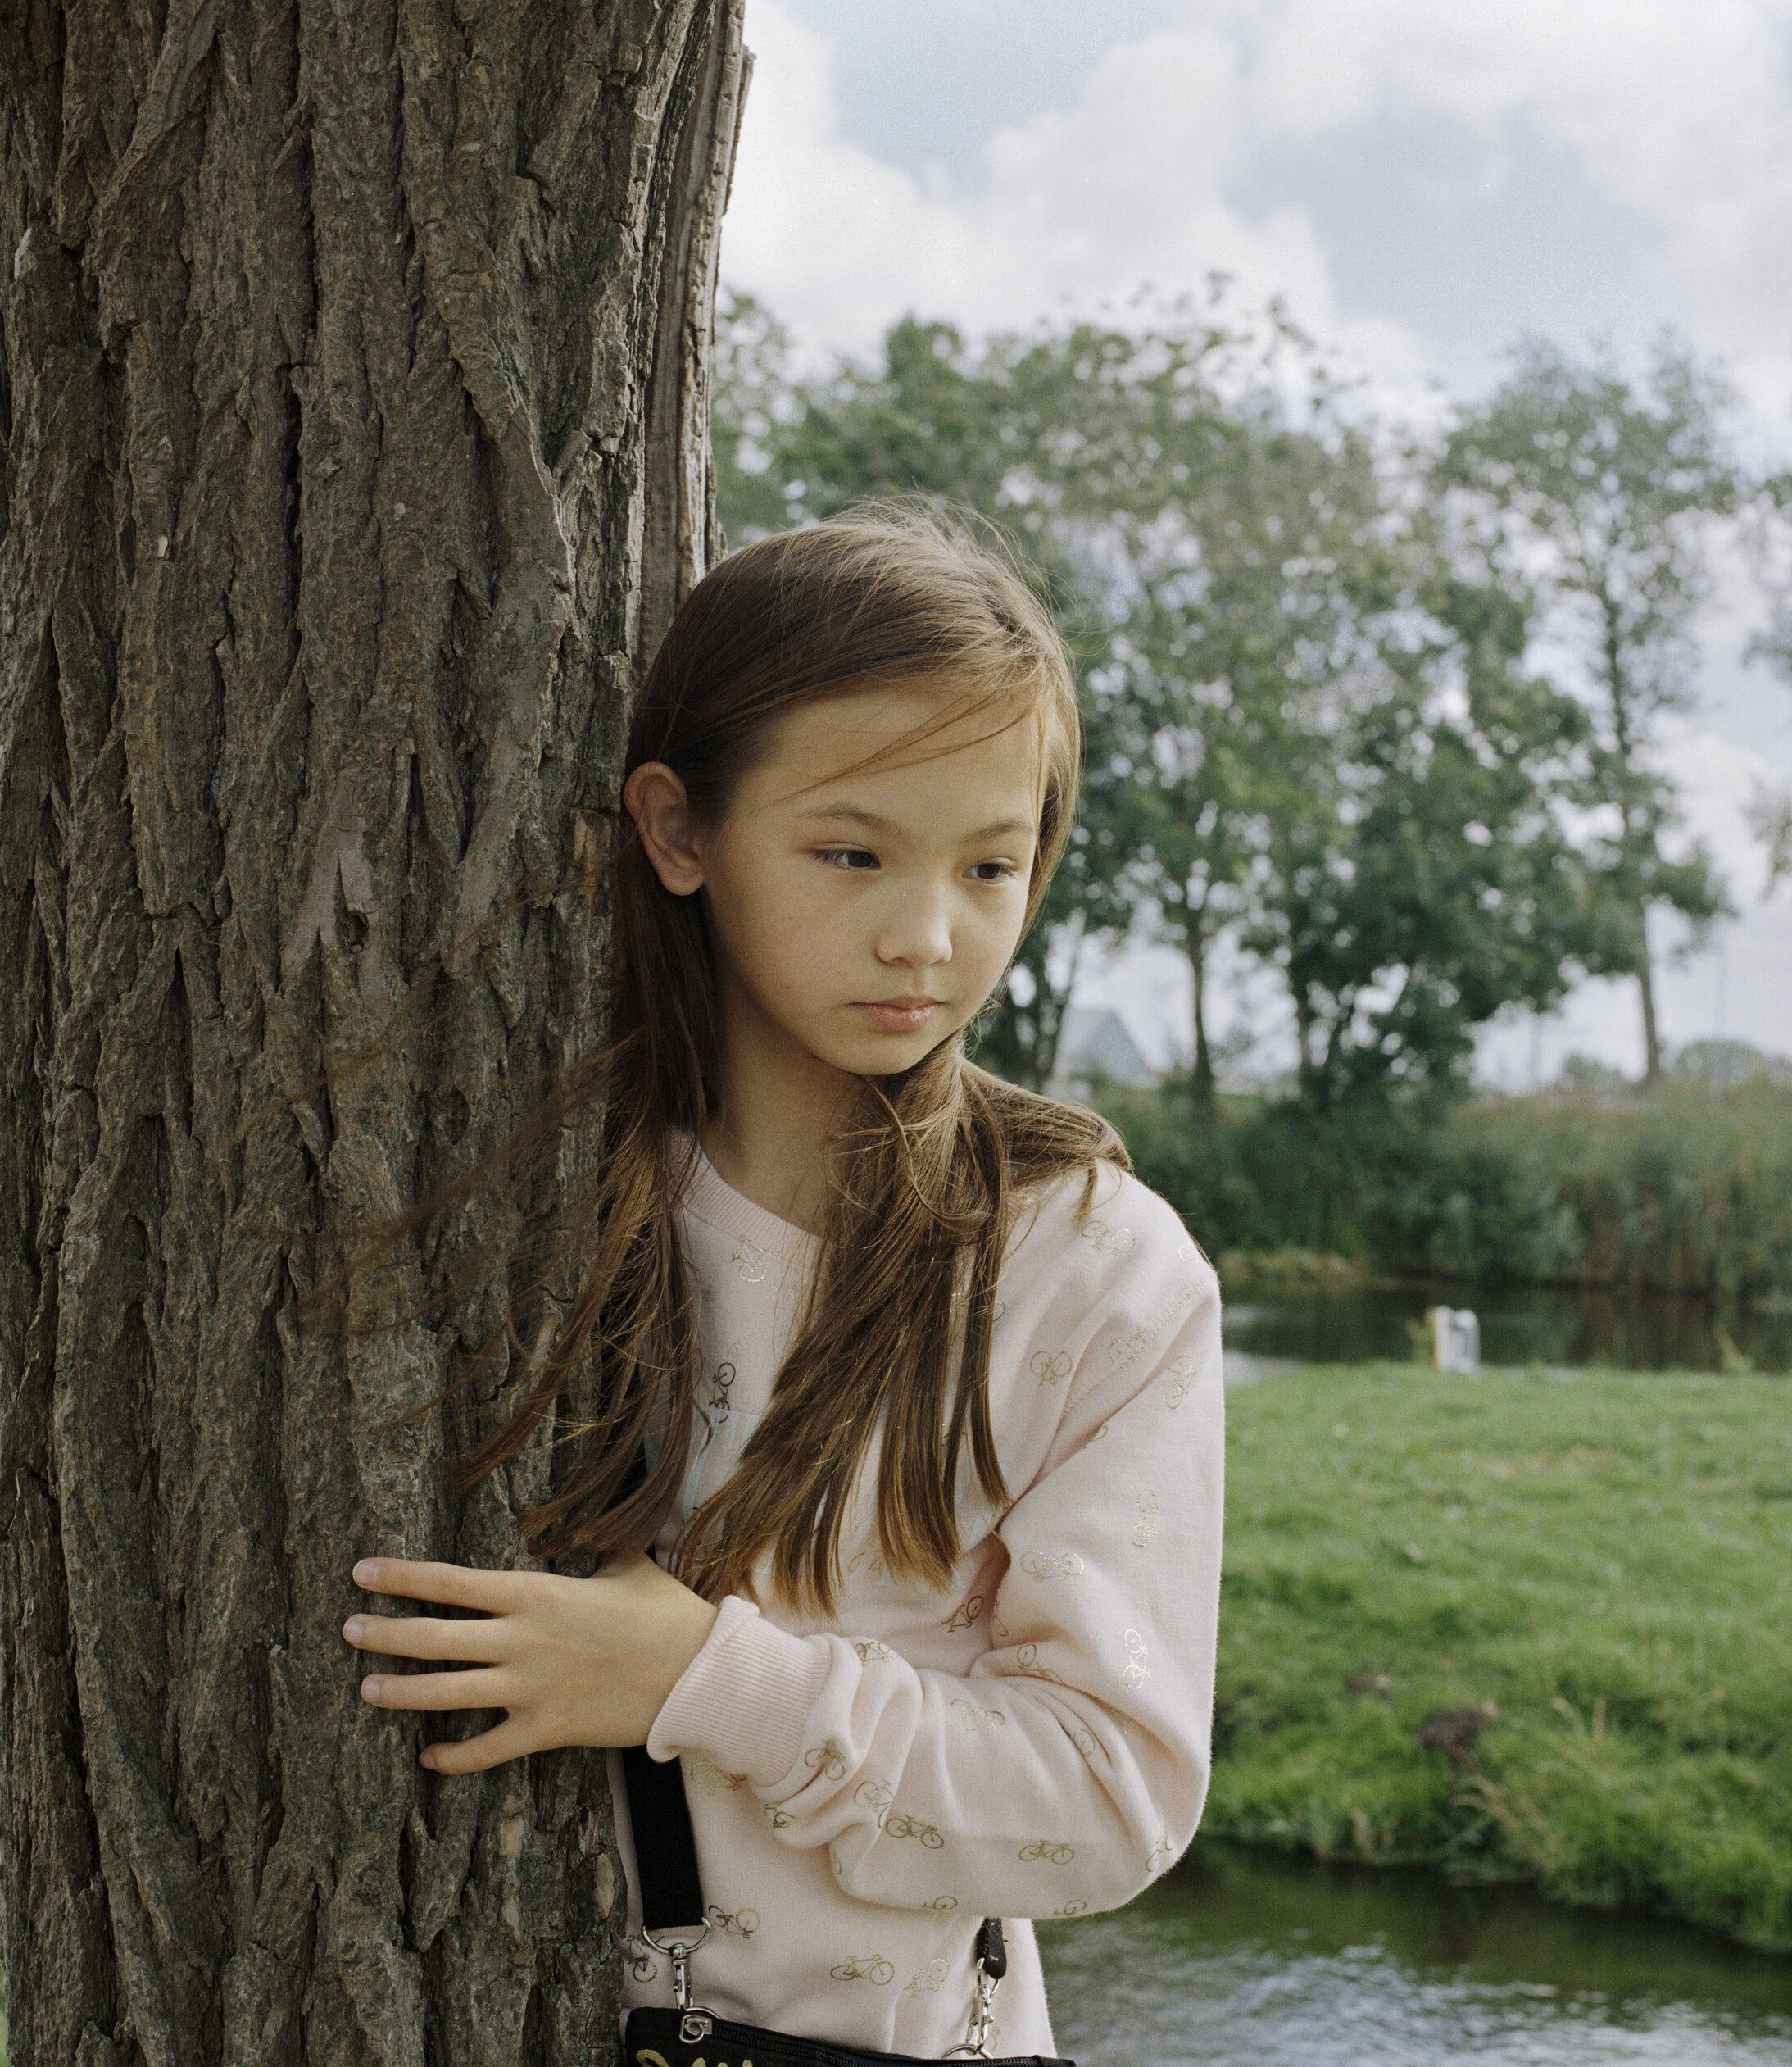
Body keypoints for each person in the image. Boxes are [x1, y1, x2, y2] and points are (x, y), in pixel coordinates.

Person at [340, 509, 1225, 2061]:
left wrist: (703, 1678)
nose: (928, 933)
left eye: (992, 864)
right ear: (680, 832)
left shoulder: (1088, 1267)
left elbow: (1112, 1795)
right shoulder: (549, 1190)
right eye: (852, 850)